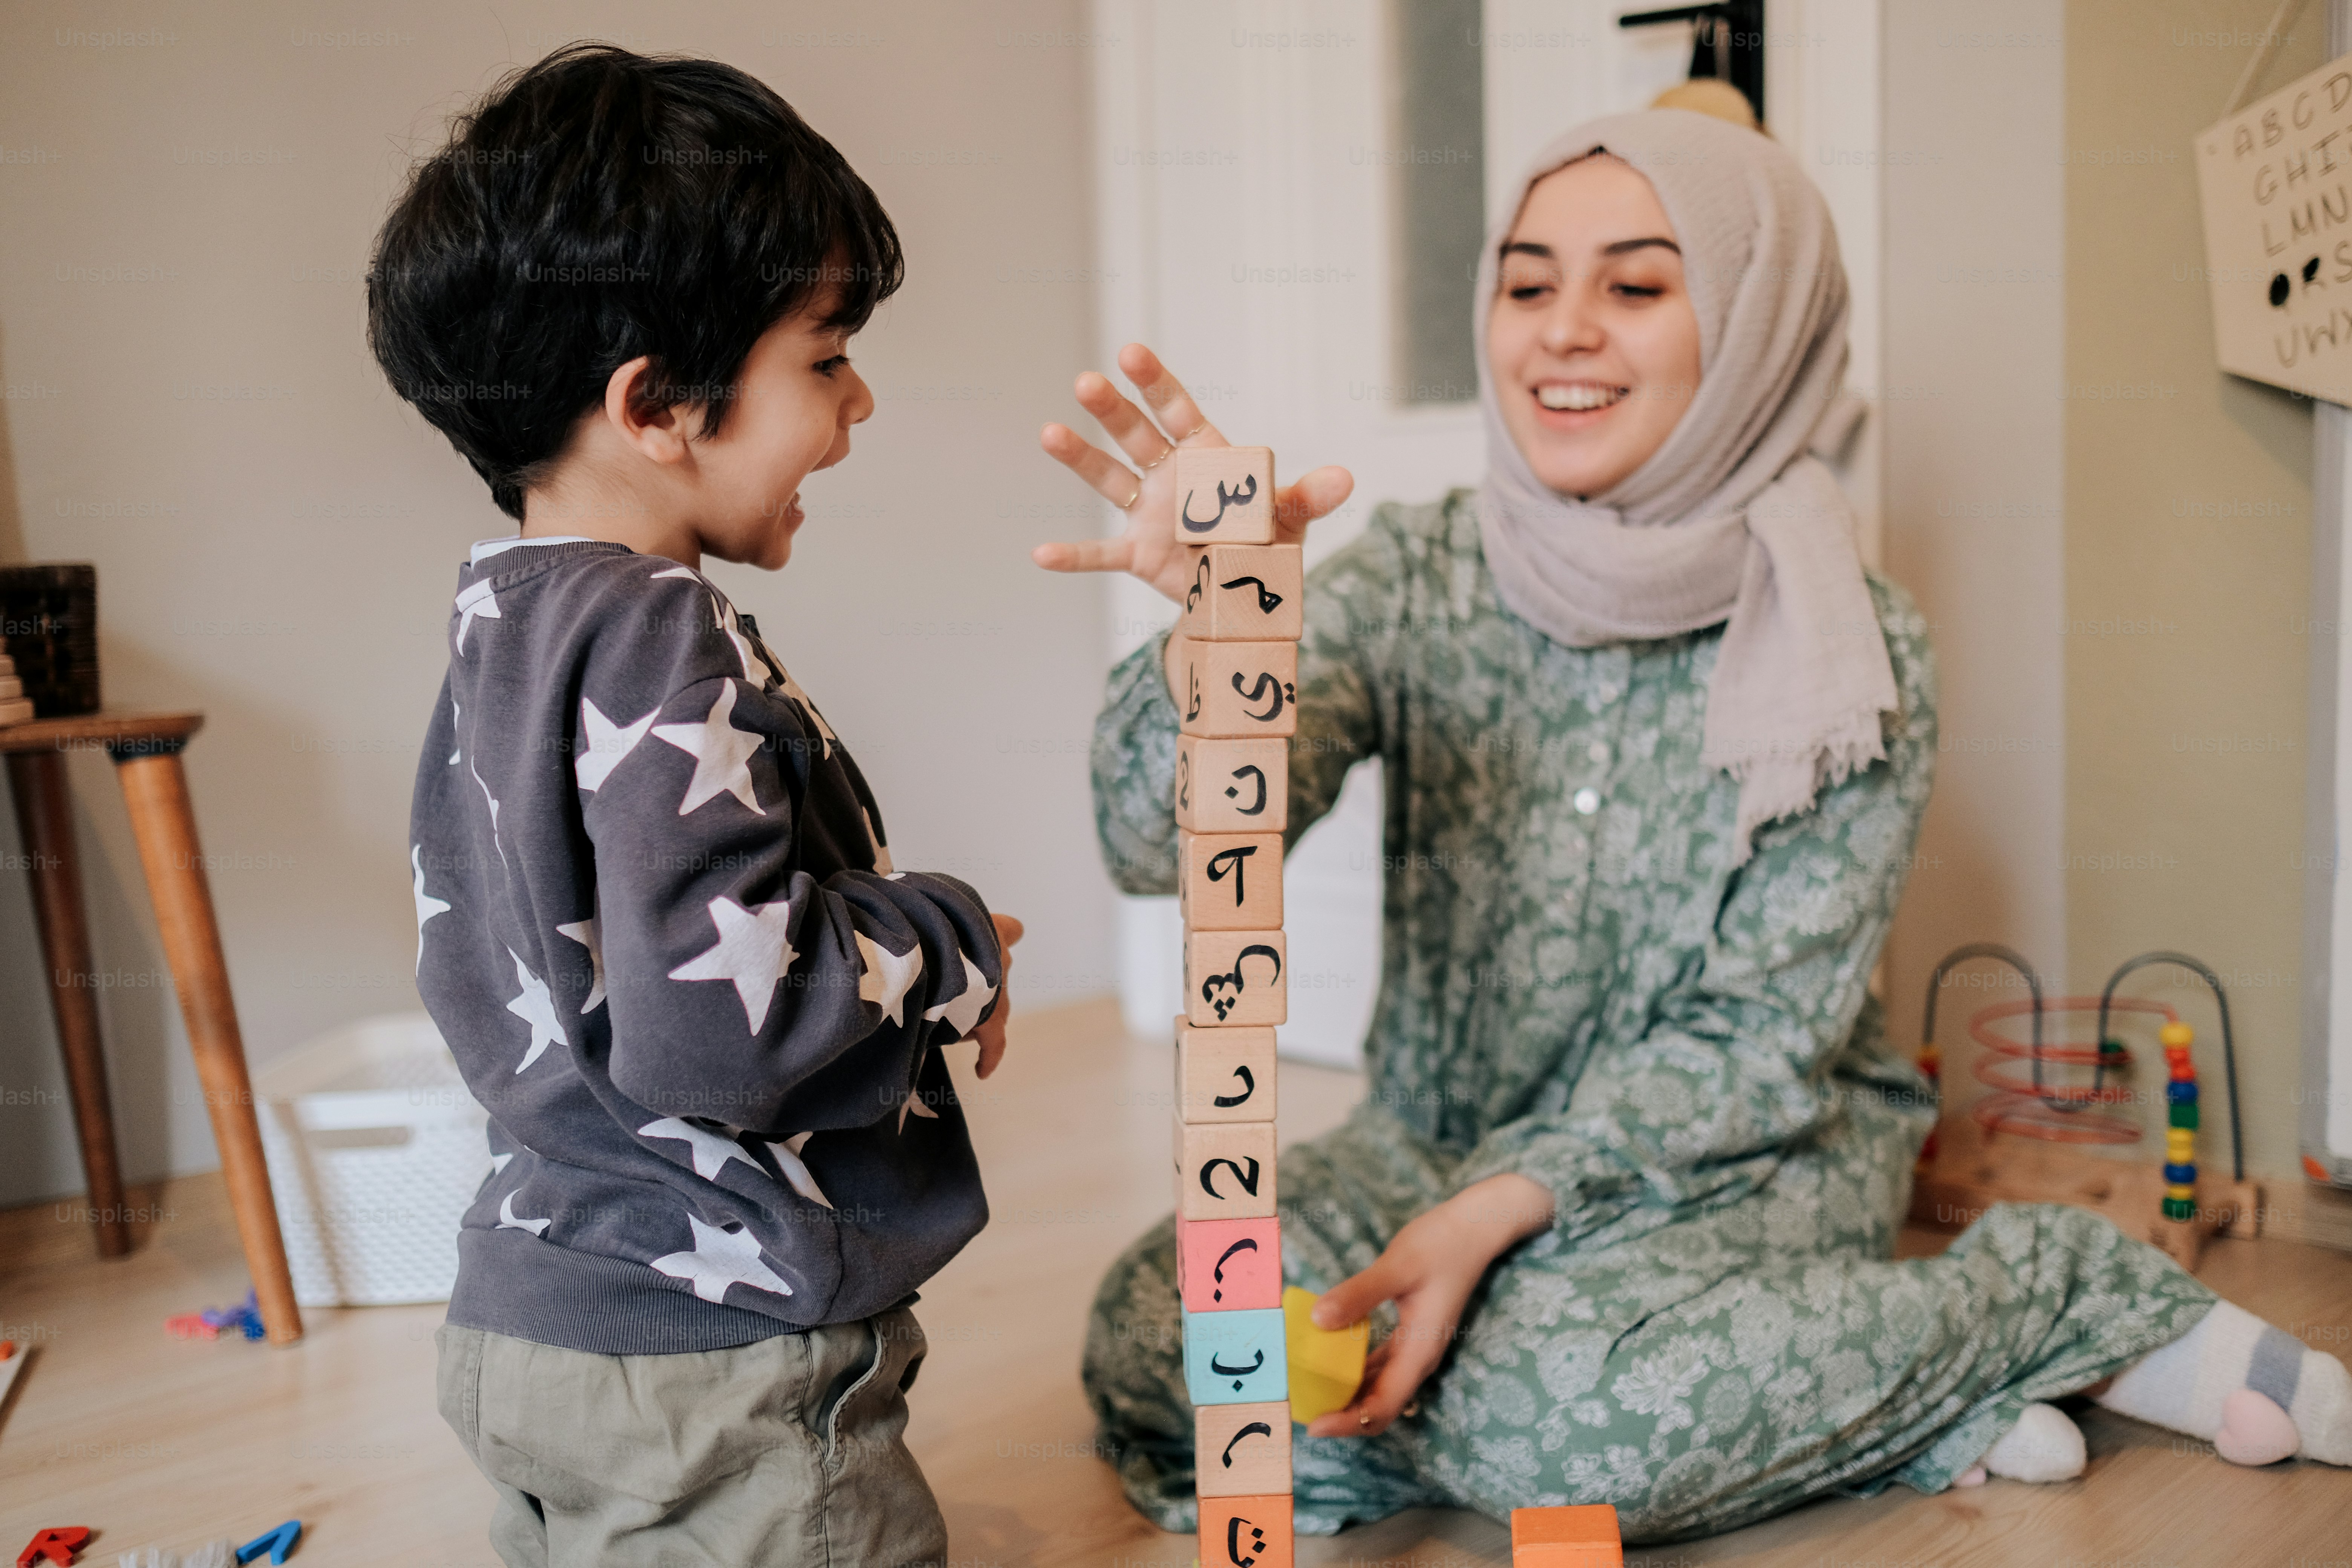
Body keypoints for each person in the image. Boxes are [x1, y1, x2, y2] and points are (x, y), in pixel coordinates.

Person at [1036, 108, 2351, 1542]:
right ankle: (1838, 1412)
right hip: (1433, 1140)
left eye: (1638, 287)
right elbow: (1153, 851)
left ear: (1757, 329)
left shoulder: (1858, 647)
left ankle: (2044, 1297)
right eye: (1527, 285)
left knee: (1556, 1408)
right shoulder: (1412, 577)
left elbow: (1758, 1041)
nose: (1563, 334)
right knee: (1154, 1329)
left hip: (1743, 1158)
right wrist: (1217, 639)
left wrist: (1492, 1226)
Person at [373, 45, 1019, 1566]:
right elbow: (726, 1023)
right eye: (826, 354)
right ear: (657, 400)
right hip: (714, 1360)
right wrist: (945, 935)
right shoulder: (664, 625)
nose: (856, 402)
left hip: (535, 1312)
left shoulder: (504, 621)